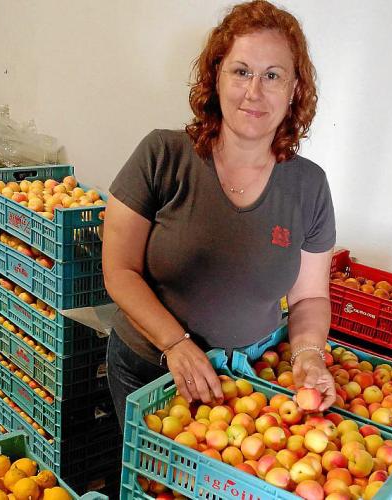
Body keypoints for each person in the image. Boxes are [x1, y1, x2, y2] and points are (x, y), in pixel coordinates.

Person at [102, 0, 337, 429]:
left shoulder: (309, 186)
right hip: (151, 368)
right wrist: (175, 344)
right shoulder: (162, 155)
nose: (254, 91)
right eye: (241, 71)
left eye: (272, 76)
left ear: (294, 89)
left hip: (249, 383)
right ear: (216, 77)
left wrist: (308, 355)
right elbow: (119, 271)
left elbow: (309, 297)